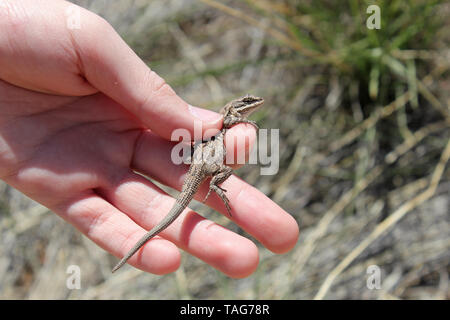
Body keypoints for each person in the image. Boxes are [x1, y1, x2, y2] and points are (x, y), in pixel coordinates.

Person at [0, 0, 298, 278]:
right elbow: (230, 122)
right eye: (247, 104)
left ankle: (215, 188)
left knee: (213, 179)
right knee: (223, 174)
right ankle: (218, 188)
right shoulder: (229, 118)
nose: (252, 105)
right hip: (203, 165)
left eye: (249, 105)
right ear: (237, 107)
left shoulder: (228, 121)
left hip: (200, 163)